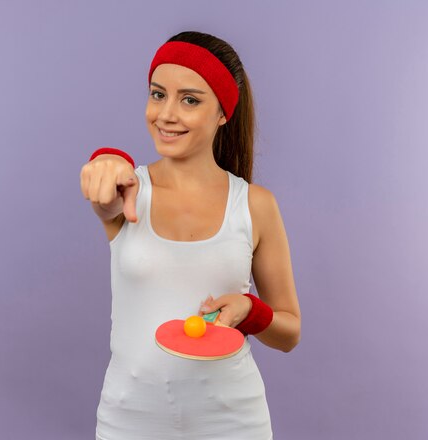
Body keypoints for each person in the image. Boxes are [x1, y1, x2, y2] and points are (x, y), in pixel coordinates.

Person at [81, 30, 301, 440]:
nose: (165, 114)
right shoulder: (128, 191)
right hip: (129, 420)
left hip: (233, 422)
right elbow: (106, 194)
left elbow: (289, 331)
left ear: (222, 113)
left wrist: (249, 311)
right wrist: (106, 161)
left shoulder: (255, 205)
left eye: (190, 100)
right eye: (157, 94)